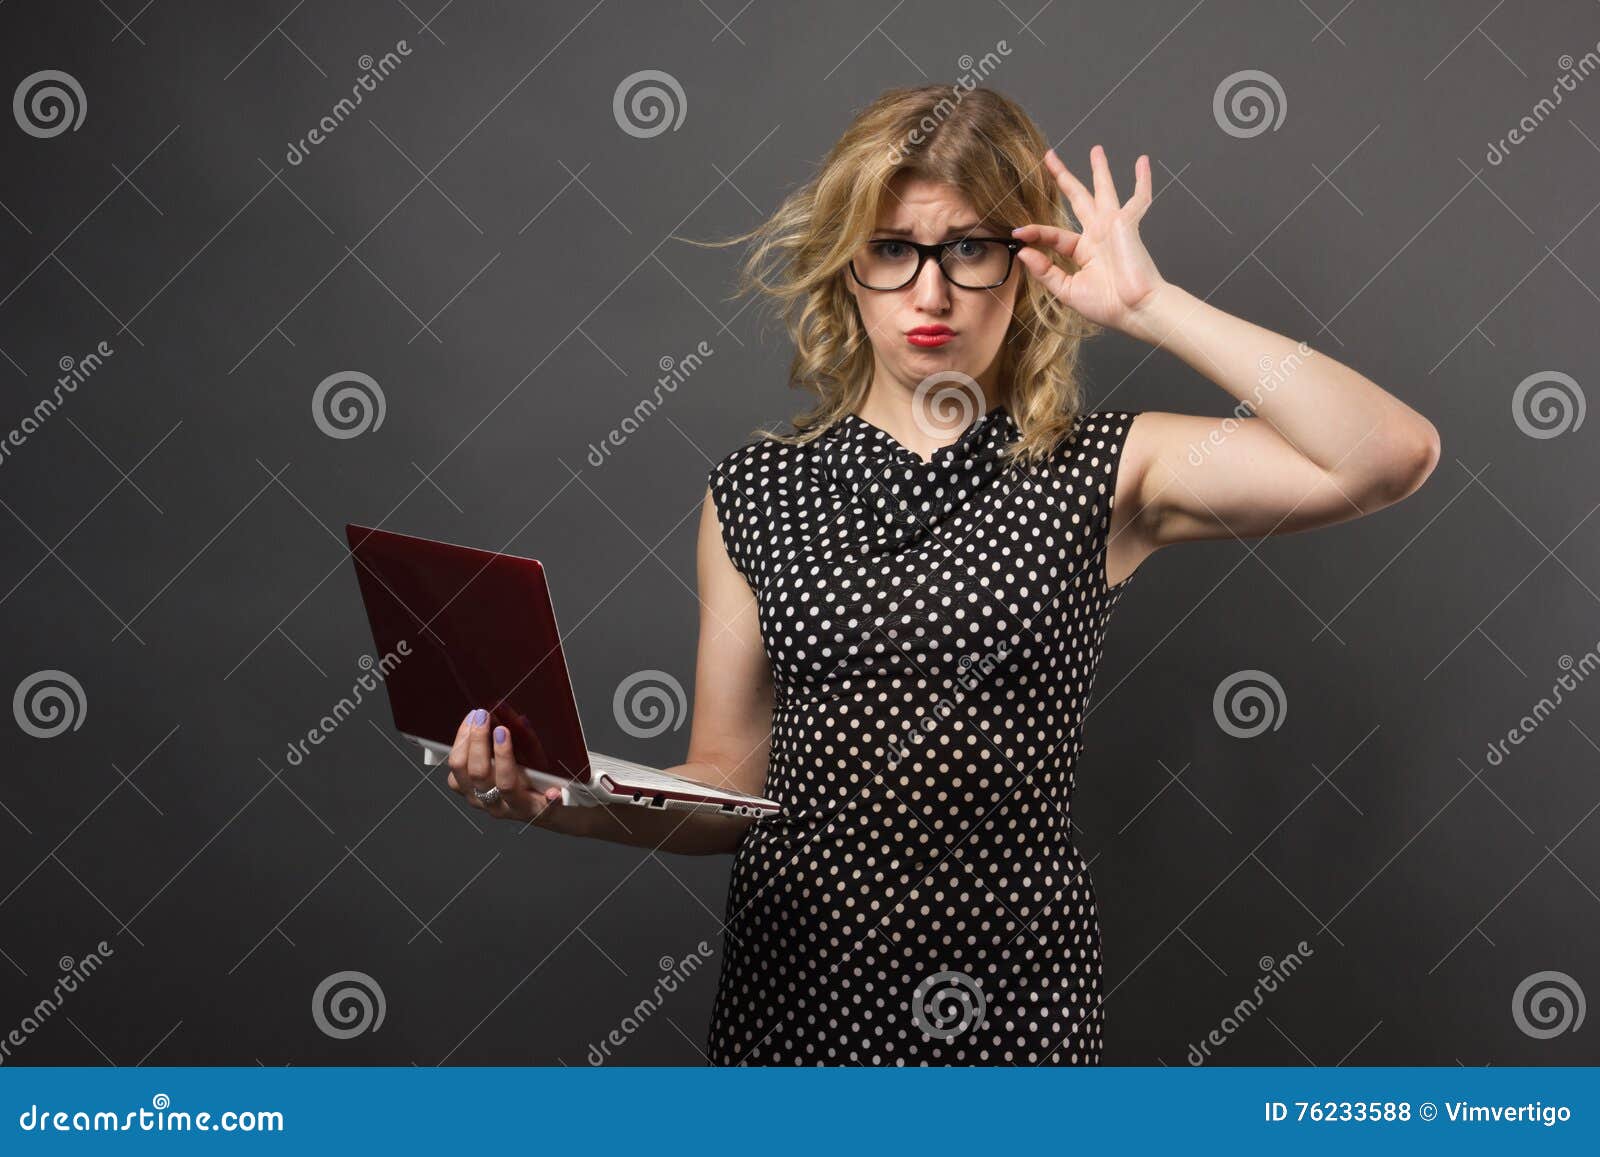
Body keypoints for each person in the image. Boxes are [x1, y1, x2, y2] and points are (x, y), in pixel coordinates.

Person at [444, 85, 1440, 1065]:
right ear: (847, 265)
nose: (931, 292)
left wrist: (1153, 304)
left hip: (1013, 1008)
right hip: (794, 1002)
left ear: (1025, 263)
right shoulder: (753, 491)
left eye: (969, 247)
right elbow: (723, 790)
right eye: (893, 248)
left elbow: (1385, 453)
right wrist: (562, 795)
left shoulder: (1106, 467)